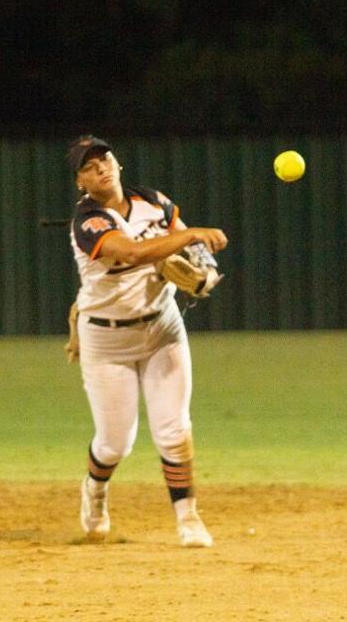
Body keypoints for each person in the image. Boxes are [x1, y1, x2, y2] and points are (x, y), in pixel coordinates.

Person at [65, 134, 229, 547]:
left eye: (105, 158)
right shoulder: (89, 220)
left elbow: (198, 255)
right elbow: (132, 254)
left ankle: (188, 517)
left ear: (119, 164)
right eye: (88, 166)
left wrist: (205, 271)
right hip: (107, 340)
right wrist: (192, 236)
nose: (100, 167)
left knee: (174, 428)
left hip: (162, 328)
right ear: (80, 183)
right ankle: (95, 491)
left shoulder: (154, 202)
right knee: (115, 442)